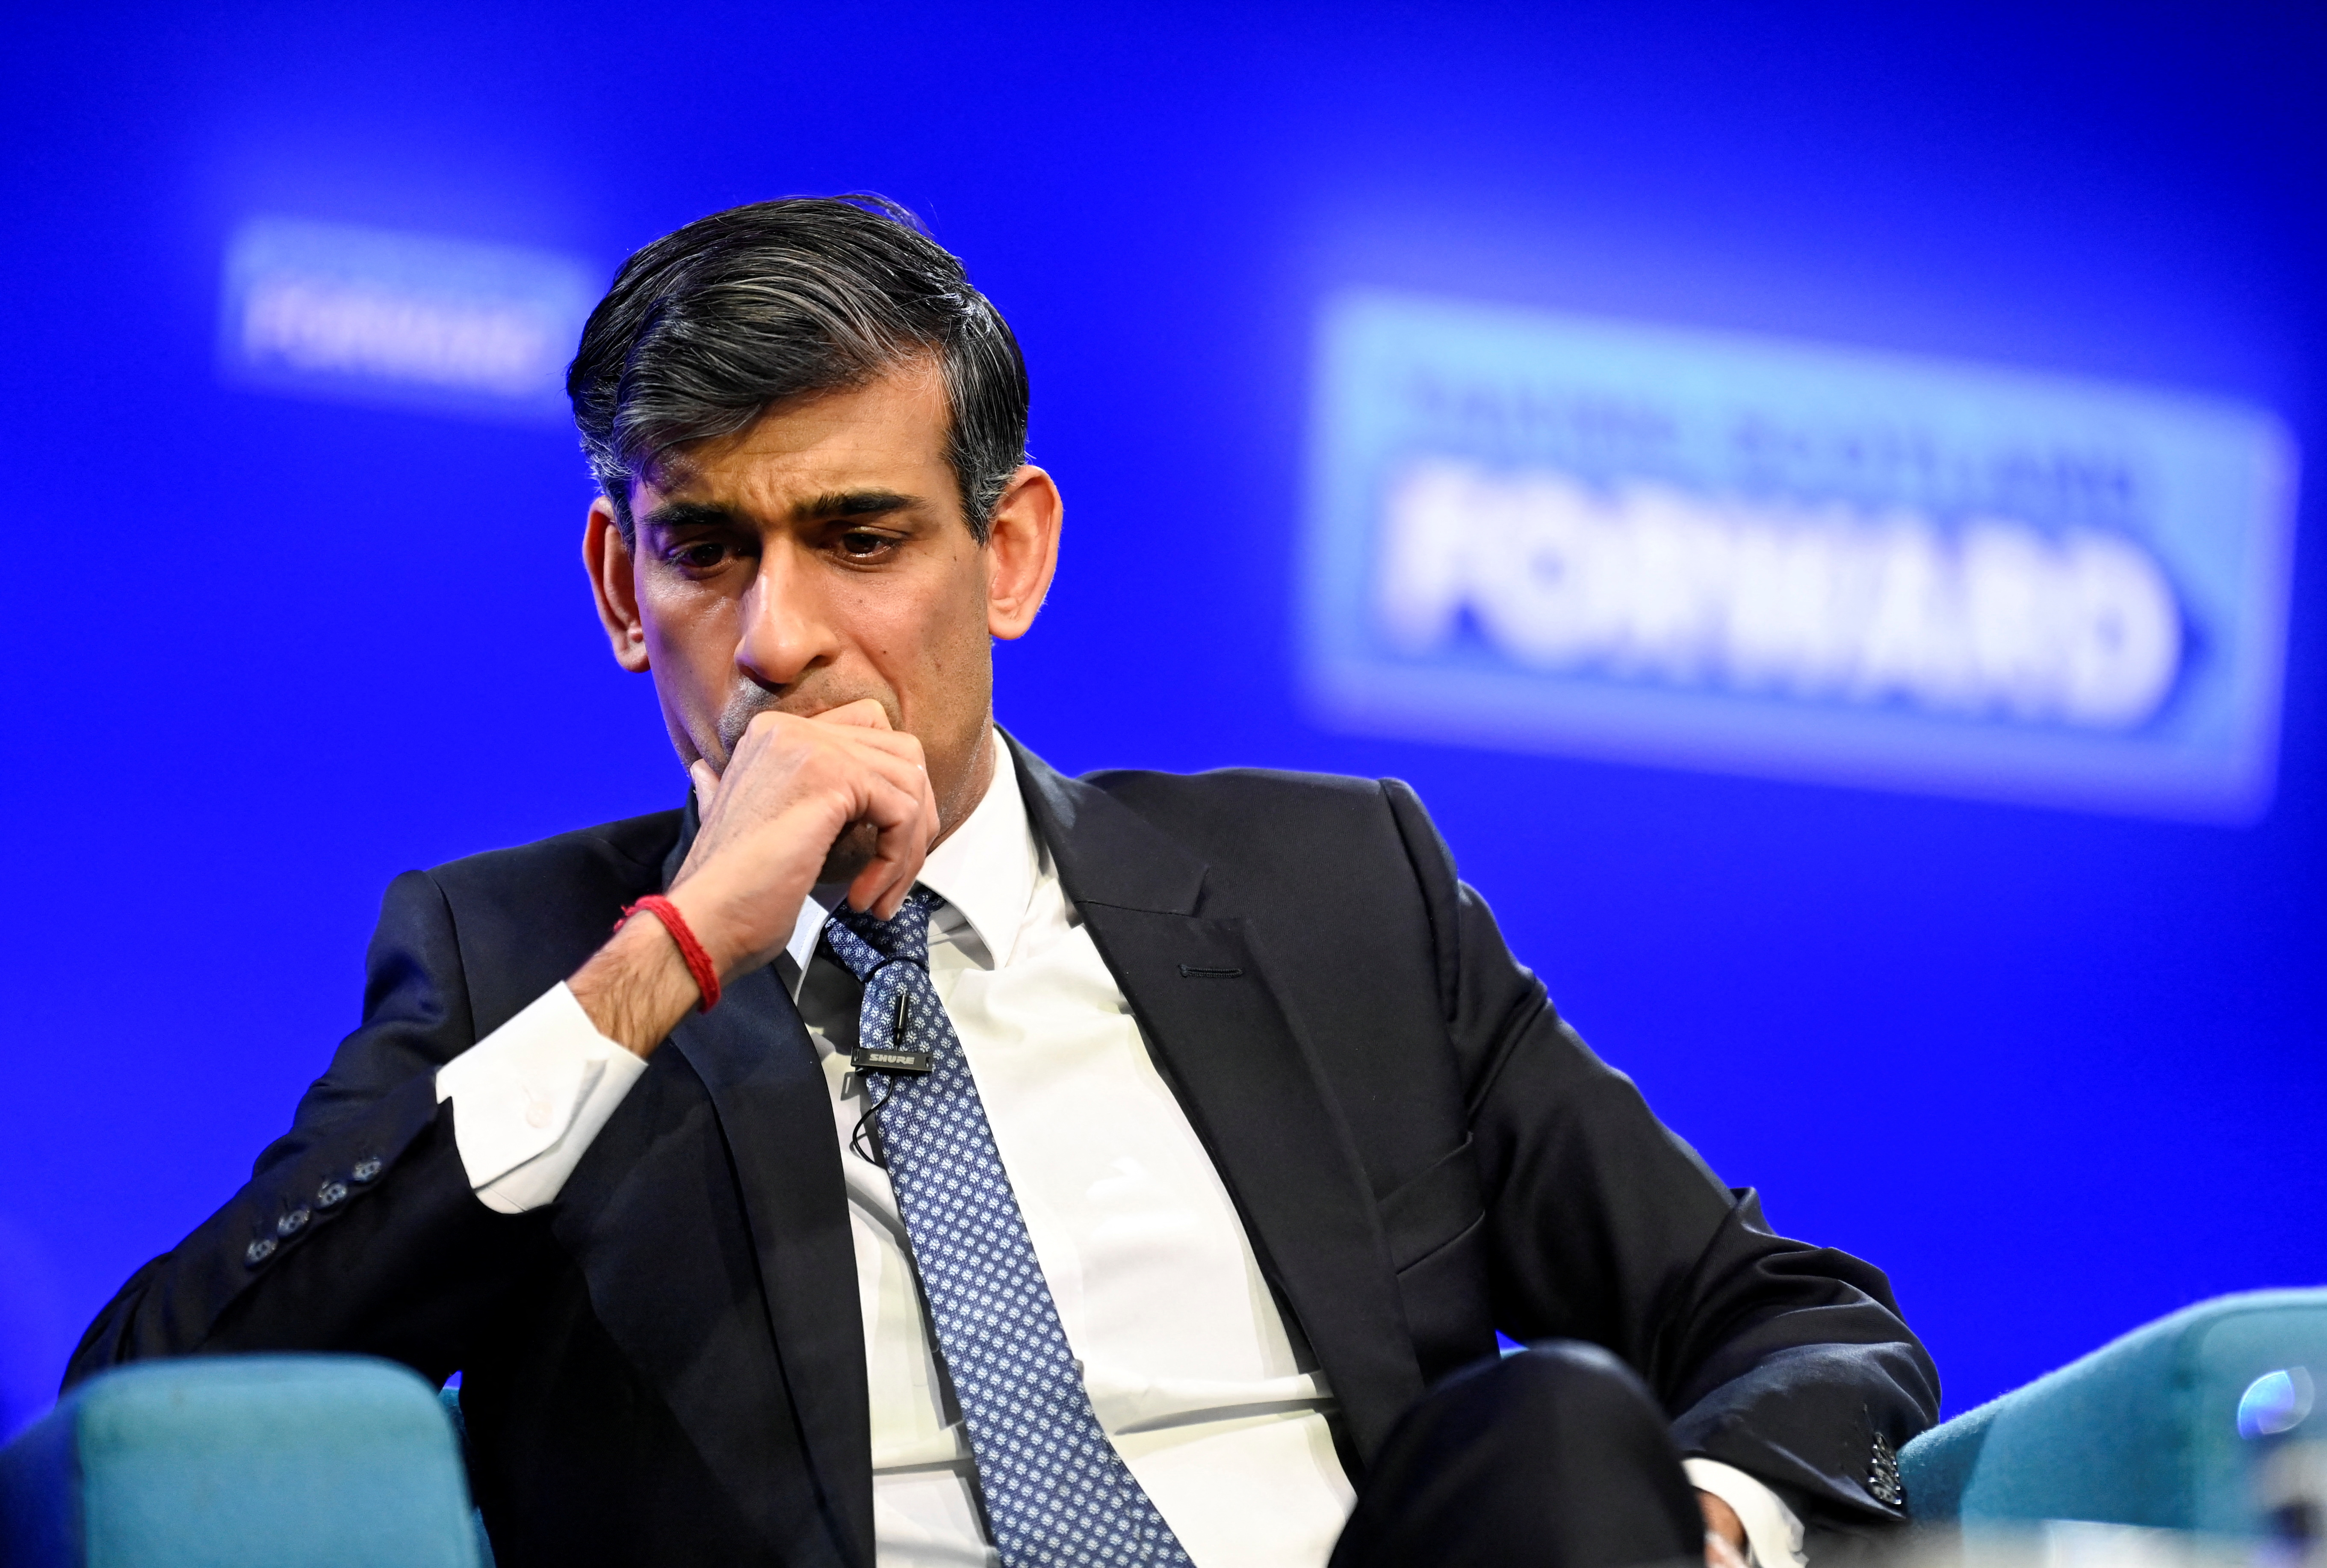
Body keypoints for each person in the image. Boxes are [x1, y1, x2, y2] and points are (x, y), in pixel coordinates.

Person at [66, 196, 1936, 1568]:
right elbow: (158, 1405)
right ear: (623, 592)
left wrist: (1696, 1519)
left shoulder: (1334, 888)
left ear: (1009, 553)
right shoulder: (522, 965)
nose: (781, 633)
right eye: (706, 549)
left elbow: (1798, 1319)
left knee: (1550, 1434)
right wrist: (673, 955)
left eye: (858, 536)